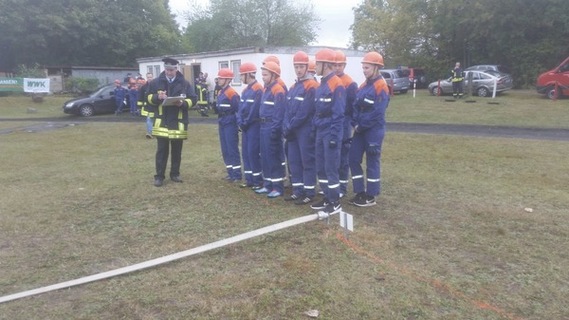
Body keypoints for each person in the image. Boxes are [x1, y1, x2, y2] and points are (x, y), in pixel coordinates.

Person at [146, 57, 197, 187]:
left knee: (177, 150)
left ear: (176, 69)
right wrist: (158, 97)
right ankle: (159, 176)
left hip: (178, 122)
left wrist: (183, 103)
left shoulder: (185, 83)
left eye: (172, 70)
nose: (169, 72)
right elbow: (148, 98)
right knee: (162, 151)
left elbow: (193, 99)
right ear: (165, 69)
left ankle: (175, 174)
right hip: (162, 122)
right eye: (167, 70)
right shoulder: (156, 83)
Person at [349, 52, 390, 207]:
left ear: (376, 67)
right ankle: (359, 192)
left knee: (372, 162)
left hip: (373, 131)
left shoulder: (381, 86)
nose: (364, 70)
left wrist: (361, 125)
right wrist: (355, 123)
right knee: (353, 159)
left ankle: (371, 195)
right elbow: (355, 105)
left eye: (367, 67)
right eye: (363, 67)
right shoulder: (364, 85)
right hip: (360, 130)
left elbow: (377, 112)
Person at [310, 48, 346, 215]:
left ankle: (335, 201)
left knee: (331, 168)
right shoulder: (321, 84)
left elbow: (338, 114)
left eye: (317, 63)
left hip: (330, 131)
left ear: (325, 65)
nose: (315, 67)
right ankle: (326, 195)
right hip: (320, 130)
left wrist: (334, 136)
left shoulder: (336, 84)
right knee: (321, 167)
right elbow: (317, 110)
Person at [283, 51, 319, 205]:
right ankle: (298, 191)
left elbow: (305, 111)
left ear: (307, 67)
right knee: (294, 161)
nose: (298, 70)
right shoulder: (293, 87)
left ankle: (309, 192)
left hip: (305, 129)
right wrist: (286, 125)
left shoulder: (312, 86)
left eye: (301, 67)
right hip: (292, 130)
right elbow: (287, 108)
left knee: (307, 161)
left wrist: (290, 126)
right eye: (296, 67)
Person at [255, 61, 286, 198]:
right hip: (263, 127)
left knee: (273, 158)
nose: (263, 77)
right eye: (262, 74)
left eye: (265, 75)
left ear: (274, 75)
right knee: (265, 157)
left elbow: (279, 114)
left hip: (271, 127)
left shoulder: (278, 90)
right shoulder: (266, 89)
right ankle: (268, 184)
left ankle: (277, 187)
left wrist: (274, 130)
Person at [334, 50, 358, 198]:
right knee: (332, 155)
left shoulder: (350, 83)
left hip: (344, 121)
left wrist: (352, 122)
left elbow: (353, 105)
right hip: (333, 121)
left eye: (340, 65)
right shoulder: (330, 81)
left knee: (342, 154)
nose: (337, 67)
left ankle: (342, 187)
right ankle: (333, 184)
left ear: (344, 65)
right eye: (335, 65)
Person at [237, 62, 264, 190]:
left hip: (253, 125)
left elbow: (254, 109)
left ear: (248, 74)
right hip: (246, 126)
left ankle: (258, 180)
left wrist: (245, 122)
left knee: (253, 152)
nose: (241, 78)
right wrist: (240, 121)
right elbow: (240, 108)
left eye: (242, 75)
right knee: (246, 153)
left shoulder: (258, 89)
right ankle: (249, 179)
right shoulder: (245, 90)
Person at [215, 68, 242, 182]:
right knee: (225, 149)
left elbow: (238, 109)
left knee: (232, 148)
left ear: (227, 80)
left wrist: (238, 123)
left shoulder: (232, 93)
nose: (218, 80)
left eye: (221, 78)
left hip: (230, 122)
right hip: (222, 121)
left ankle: (237, 174)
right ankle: (230, 172)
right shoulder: (220, 92)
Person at [138, 73, 154, 139]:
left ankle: (154, 132)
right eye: (148, 77)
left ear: (152, 77)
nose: (149, 78)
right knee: (149, 119)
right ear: (146, 78)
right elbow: (140, 97)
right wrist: (139, 107)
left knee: (155, 120)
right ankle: (149, 133)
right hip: (147, 107)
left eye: (150, 77)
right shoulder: (143, 87)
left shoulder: (156, 86)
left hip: (155, 106)